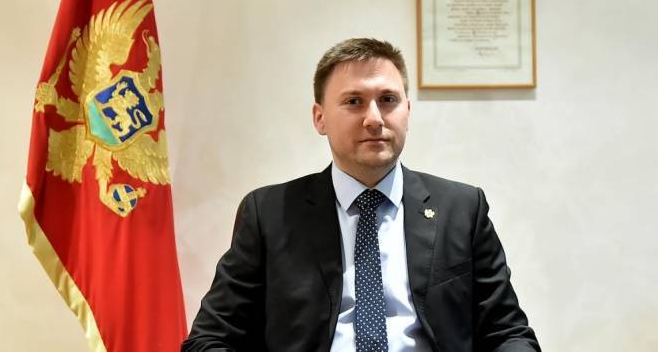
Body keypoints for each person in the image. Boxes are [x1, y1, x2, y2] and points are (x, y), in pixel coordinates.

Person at [182, 38, 540, 352]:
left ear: (407, 111)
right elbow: (209, 339)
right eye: (354, 101)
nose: (374, 118)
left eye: (388, 100)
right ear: (320, 118)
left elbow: (508, 333)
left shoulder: (461, 209)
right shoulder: (269, 214)